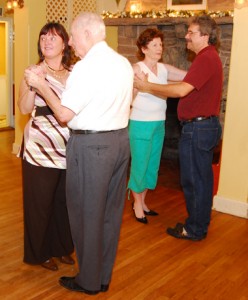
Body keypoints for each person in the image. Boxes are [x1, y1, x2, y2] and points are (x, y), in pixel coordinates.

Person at [24, 12, 133, 295]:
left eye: (71, 35)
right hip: (120, 142)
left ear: (87, 34)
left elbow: (62, 114)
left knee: (86, 216)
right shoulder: (122, 62)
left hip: (92, 148)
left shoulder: (86, 68)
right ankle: (102, 276)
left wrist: (41, 86)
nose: (70, 41)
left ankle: (88, 281)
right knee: (109, 215)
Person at [134, 15, 222, 240]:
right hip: (201, 128)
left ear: (204, 35)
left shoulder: (205, 58)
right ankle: (199, 224)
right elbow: (184, 84)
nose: (186, 36)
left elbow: (182, 90)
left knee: (194, 181)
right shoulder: (208, 58)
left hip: (199, 129)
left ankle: (194, 228)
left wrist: (147, 86)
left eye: (191, 33)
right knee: (200, 180)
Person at [18, 22, 74, 271]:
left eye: (53, 37)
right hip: (40, 147)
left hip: (70, 147)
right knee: (39, 203)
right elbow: (23, 109)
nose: (47, 41)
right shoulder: (32, 71)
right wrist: (33, 84)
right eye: (43, 37)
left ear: (64, 43)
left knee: (64, 202)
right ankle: (39, 253)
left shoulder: (74, 73)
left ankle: (61, 247)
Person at [128, 28, 186, 224]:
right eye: (154, 45)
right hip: (140, 124)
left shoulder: (163, 69)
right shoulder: (136, 69)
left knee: (152, 166)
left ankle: (143, 201)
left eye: (160, 44)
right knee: (140, 165)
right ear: (144, 48)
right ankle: (136, 204)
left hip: (159, 124)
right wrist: (137, 86)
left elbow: (188, 76)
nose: (159, 48)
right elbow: (128, 98)